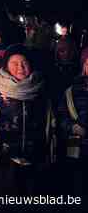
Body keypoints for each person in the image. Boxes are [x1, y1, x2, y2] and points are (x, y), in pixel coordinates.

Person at [0, 44, 55, 197]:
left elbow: (49, 122)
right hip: (6, 159)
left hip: (35, 158)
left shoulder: (40, 89)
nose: (20, 68)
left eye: (24, 63)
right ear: (7, 66)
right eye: (14, 63)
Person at [57, 47, 88, 200]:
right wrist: (72, 126)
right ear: (84, 65)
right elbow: (61, 116)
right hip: (77, 149)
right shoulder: (71, 91)